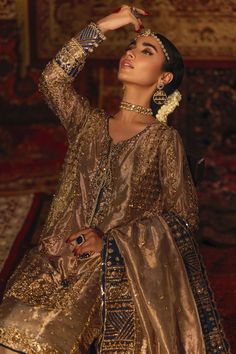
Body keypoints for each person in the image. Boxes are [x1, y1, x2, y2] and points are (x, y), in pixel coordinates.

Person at [0, 5, 231, 354]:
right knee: (8, 330)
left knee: (39, 338)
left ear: (164, 78)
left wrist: (110, 241)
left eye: (146, 51)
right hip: (53, 257)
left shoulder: (162, 140)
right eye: (132, 46)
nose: (131, 52)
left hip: (111, 270)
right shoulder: (89, 125)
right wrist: (107, 24)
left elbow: (183, 217)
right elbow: (51, 80)